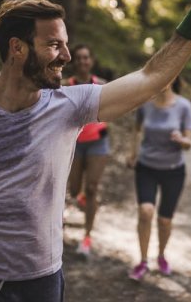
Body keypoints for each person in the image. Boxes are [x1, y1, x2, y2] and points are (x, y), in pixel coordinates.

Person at [0, 0, 191, 302]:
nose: (66, 56)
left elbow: (151, 77)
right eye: (53, 44)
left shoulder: (68, 106)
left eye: (66, 44)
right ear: (17, 48)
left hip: (39, 280)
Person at [126, 76, 191, 280]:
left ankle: (162, 256)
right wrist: (132, 153)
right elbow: (137, 130)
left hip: (173, 170)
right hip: (146, 167)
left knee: (165, 220)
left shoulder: (184, 106)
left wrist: (182, 140)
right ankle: (143, 261)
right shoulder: (145, 103)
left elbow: (189, 142)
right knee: (145, 211)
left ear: (173, 78)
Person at [64, 44, 110, 257]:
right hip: (74, 143)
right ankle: (83, 199)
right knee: (74, 191)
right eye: (79, 58)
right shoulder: (65, 86)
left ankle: (87, 237)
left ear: (91, 60)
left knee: (92, 188)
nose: (83, 61)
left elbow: (113, 107)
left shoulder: (101, 85)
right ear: (74, 61)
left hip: (97, 143)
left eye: (86, 57)